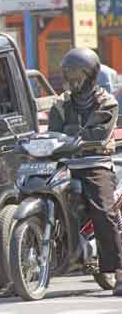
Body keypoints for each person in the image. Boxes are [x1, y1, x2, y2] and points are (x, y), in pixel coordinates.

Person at [49, 48, 122, 295]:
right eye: (67, 74)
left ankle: (119, 271)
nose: (70, 79)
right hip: (66, 164)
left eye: (75, 74)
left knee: (103, 211)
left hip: (95, 164)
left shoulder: (107, 102)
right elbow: (53, 132)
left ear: (90, 75)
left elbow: (98, 135)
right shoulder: (61, 103)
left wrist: (73, 135)